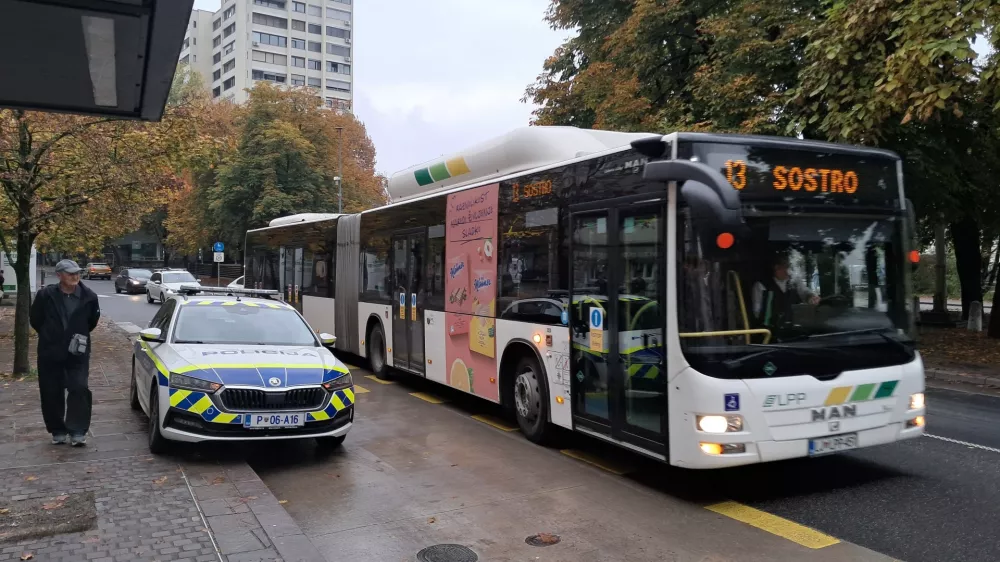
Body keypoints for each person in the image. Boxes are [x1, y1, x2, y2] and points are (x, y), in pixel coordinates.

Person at [29, 259, 101, 446]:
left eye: (77, 272)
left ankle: (77, 431)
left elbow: (92, 321)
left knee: (79, 387)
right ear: (59, 275)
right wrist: (50, 335)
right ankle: (57, 430)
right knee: (51, 391)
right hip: (50, 351)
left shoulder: (89, 296)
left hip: (77, 352)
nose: (75, 276)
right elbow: (36, 319)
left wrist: (76, 335)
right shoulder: (45, 295)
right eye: (70, 273)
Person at [752, 253, 819, 330]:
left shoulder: (794, 282)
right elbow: (757, 312)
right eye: (786, 267)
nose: (788, 271)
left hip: (794, 329)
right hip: (769, 331)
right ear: (776, 268)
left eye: (789, 267)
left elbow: (804, 292)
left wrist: (811, 297)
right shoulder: (761, 286)